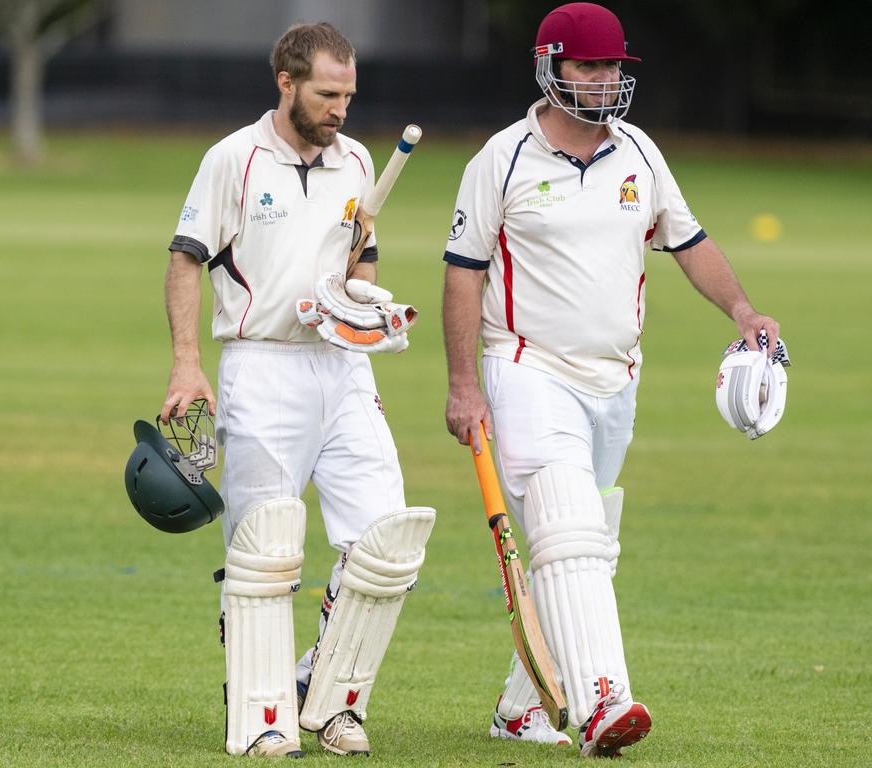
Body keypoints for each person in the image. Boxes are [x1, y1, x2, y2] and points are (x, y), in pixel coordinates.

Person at [442, 2, 780, 758]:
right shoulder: (502, 159)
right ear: (551, 67)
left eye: (612, 69)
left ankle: (521, 709)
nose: (602, 81)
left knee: (583, 545)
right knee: (567, 528)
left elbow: (687, 241)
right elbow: (462, 275)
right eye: (587, 67)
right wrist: (464, 385)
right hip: (526, 367)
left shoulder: (638, 153)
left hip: (614, 381)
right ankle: (602, 703)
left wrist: (742, 309)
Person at [161, 22, 434, 758]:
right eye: (327, 93)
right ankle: (260, 707)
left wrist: (364, 305)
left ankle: (329, 692)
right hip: (262, 364)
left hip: (342, 368)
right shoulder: (235, 158)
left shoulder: (357, 162)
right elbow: (187, 260)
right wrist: (187, 364)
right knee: (263, 552)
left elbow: (361, 257)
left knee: (386, 543)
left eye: (349, 94)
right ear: (285, 82)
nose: (340, 108)